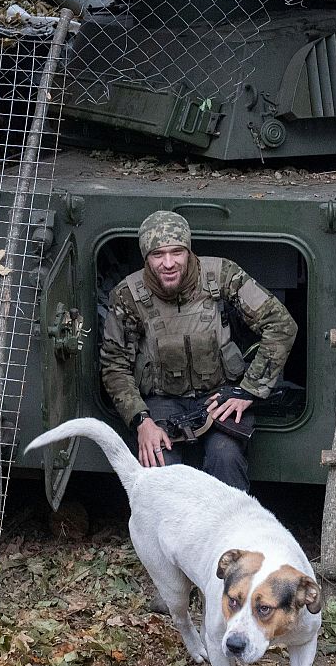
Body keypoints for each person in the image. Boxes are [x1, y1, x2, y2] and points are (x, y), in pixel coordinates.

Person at [99, 210, 298, 490]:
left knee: (225, 456)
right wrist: (141, 421)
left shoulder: (222, 275)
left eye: (177, 252)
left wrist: (250, 389)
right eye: (158, 255)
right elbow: (114, 364)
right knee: (159, 468)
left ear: (188, 251)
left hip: (219, 396)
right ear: (146, 258)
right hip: (161, 399)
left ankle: (230, 532)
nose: (168, 263)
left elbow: (281, 324)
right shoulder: (127, 295)